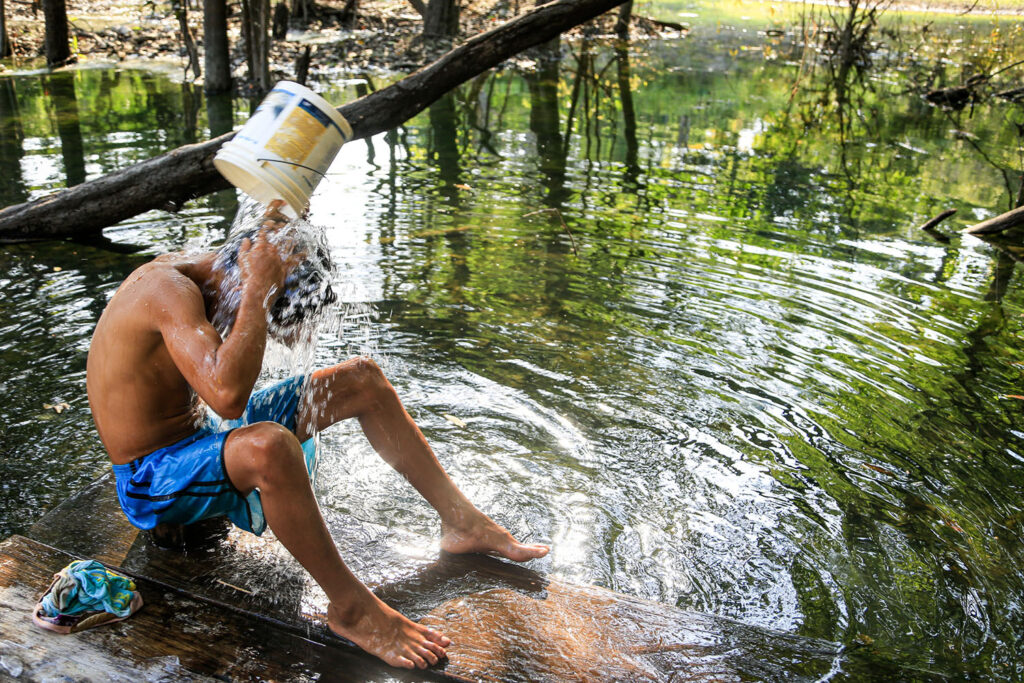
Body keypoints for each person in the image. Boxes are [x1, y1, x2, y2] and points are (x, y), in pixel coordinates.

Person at [85, 201, 549, 670]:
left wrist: (286, 219)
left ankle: (462, 523)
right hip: (151, 477)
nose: (277, 337)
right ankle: (350, 608)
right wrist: (260, 292)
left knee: (361, 380)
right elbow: (226, 395)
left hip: (203, 435)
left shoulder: (233, 263)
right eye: (272, 322)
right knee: (269, 445)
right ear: (243, 286)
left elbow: (267, 219)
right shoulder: (169, 291)